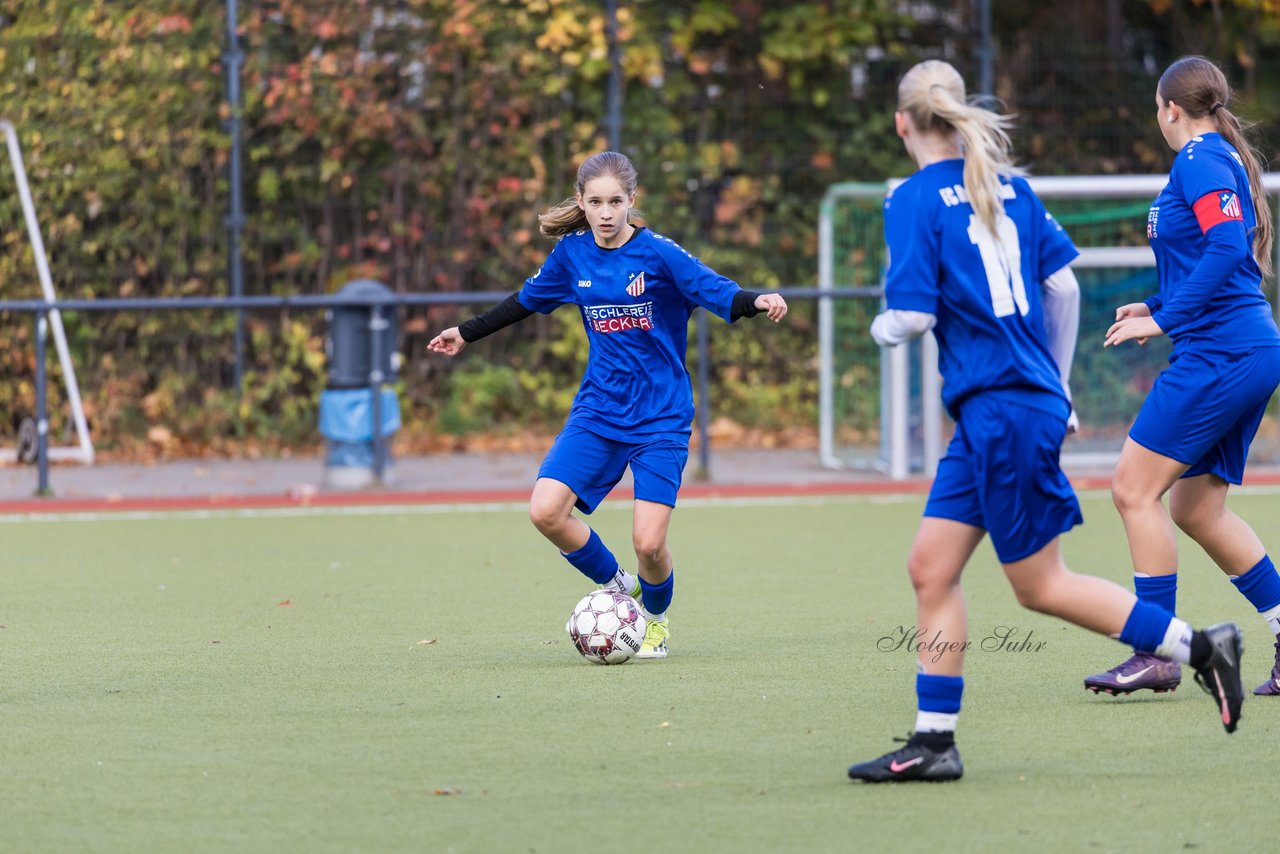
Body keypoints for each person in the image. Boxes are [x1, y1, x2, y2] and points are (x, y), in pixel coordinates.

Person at [846, 60, 1244, 785]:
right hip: (1001, 408)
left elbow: (908, 316)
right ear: (954, 113)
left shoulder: (909, 198)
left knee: (1040, 585)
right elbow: (1062, 285)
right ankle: (935, 742)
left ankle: (1201, 647)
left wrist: (877, 327)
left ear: (903, 122)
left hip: (999, 409)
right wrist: (1055, 385)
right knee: (930, 567)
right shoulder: (1015, 188)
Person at [428, 151, 788, 660]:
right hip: (598, 412)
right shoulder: (571, 256)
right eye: (594, 202)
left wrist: (759, 300)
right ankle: (619, 586)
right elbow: (523, 302)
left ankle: (656, 621)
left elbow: (719, 293)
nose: (604, 212)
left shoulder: (660, 255)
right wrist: (464, 333)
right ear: (580, 202)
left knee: (649, 545)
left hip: (661, 418)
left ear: (631, 202)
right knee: (545, 510)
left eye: (615, 201)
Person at [1083, 56, 1280, 699]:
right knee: (1195, 508)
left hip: (1221, 355)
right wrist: (1156, 304)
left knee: (1132, 490)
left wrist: (1163, 317)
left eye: (1156, 108)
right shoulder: (1216, 156)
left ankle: (1158, 652)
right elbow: (1214, 252)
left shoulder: (1198, 157)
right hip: (1241, 349)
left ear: (1170, 108)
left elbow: (1227, 247)